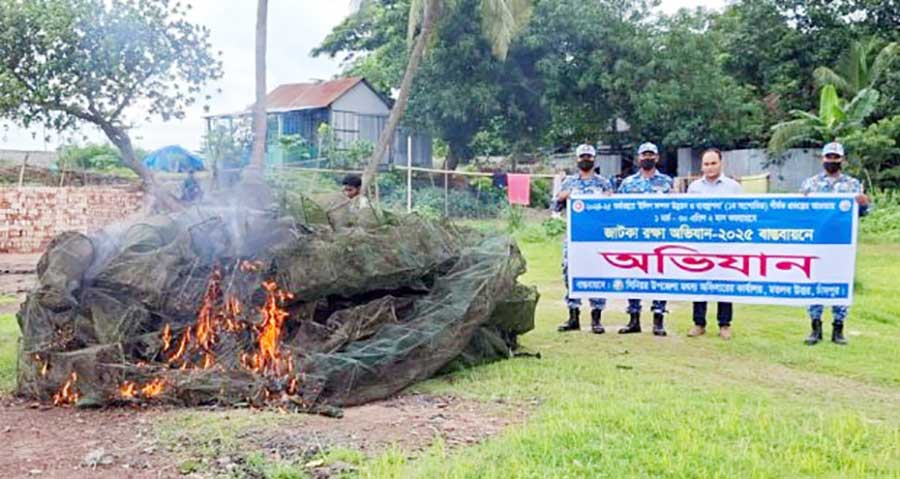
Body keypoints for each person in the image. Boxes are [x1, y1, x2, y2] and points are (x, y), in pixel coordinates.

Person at [799, 142, 870, 346]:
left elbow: (863, 212)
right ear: (822, 159)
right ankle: (815, 328)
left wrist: (864, 202)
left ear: (842, 160)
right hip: (816, 242)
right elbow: (800, 212)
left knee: (841, 282)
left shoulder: (853, 185)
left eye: (835, 157)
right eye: (828, 157)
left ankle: (838, 329)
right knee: (815, 284)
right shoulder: (810, 185)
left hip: (842, 244)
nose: (832, 161)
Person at [555, 144, 614, 334]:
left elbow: (613, 209)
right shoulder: (569, 183)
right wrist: (563, 196)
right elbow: (554, 208)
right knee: (570, 273)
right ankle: (573, 317)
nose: (585, 160)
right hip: (574, 238)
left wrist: (608, 199)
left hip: (597, 238)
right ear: (577, 159)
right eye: (582, 157)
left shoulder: (604, 183)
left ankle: (596, 319)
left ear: (594, 159)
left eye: (589, 156)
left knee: (598, 273)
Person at [616, 142, 674, 336]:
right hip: (634, 239)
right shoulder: (628, 183)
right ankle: (634, 319)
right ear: (638, 158)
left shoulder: (667, 182)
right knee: (633, 276)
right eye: (644, 155)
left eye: (651, 154)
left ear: (657, 158)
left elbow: (675, 208)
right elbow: (618, 210)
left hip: (659, 238)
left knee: (660, 277)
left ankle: (658, 321)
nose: (647, 157)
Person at [686, 148, 743, 340]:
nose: (709, 168)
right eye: (706, 164)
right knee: (699, 282)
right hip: (700, 243)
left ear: (721, 163)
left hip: (725, 243)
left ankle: (725, 324)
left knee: (724, 282)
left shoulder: (733, 187)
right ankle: (698, 323)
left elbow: (741, 214)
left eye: (713, 163)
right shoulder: (694, 188)